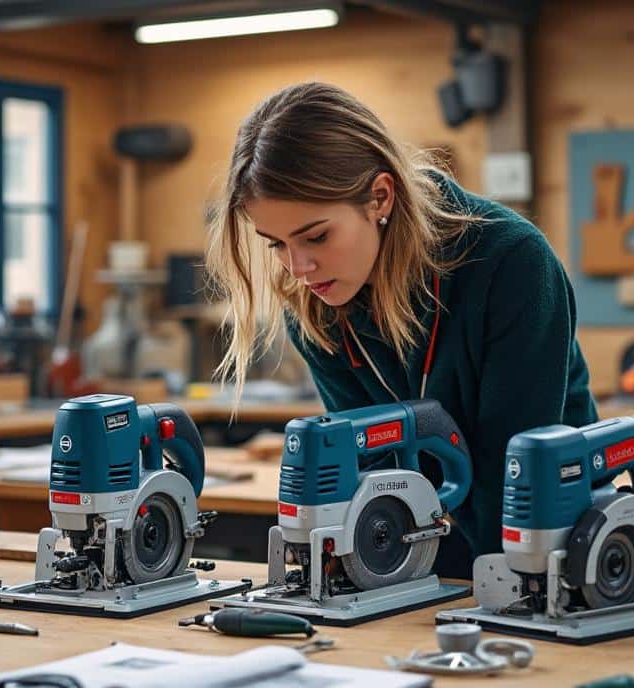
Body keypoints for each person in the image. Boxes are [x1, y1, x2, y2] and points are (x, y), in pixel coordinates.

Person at [205, 82, 598, 578]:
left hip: (549, 539)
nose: (298, 266)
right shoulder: (313, 304)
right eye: (276, 245)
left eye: (317, 236)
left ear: (380, 197)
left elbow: (515, 478)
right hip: (419, 553)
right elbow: (370, 472)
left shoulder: (513, 264)